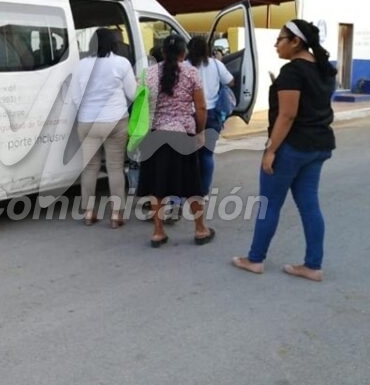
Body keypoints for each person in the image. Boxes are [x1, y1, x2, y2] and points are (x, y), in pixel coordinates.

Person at [232, 20, 336, 281]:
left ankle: (255, 259)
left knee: (269, 205)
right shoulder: (324, 69)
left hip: (292, 147)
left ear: (295, 42)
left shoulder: (292, 71)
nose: (276, 44)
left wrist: (270, 151)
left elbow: (287, 115)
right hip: (318, 145)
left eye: (280, 39)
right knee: (310, 205)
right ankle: (313, 265)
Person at [135, 34, 214, 247]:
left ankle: (158, 232)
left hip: (154, 135)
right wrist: (200, 132)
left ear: (162, 52)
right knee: (192, 185)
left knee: (157, 186)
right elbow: (201, 107)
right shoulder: (191, 73)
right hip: (182, 135)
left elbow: (140, 104)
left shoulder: (148, 74)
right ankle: (200, 229)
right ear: (183, 53)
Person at [70, 28, 137, 228]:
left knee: (90, 168)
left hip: (87, 122)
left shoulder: (81, 65)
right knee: (115, 167)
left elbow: (74, 97)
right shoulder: (121, 63)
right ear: (114, 43)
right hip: (115, 121)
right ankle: (116, 215)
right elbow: (133, 94)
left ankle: (89, 213)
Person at [186, 35, 234, 196]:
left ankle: (188, 189)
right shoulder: (216, 64)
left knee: (189, 156)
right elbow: (231, 81)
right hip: (213, 114)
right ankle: (203, 193)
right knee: (207, 155)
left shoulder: (184, 66)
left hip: (190, 114)